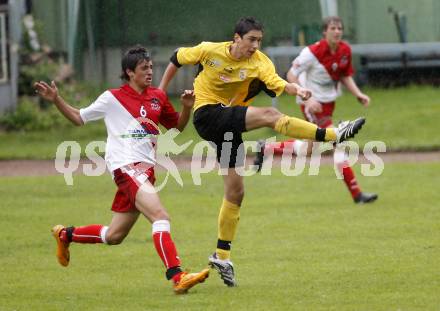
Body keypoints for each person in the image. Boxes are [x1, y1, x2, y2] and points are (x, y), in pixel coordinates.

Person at [159, 16, 367, 287]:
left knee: (236, 191)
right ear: (236, 38)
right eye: (251, 40)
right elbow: (177, 57)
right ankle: (333, 134)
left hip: (227, 123)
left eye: (259, 40)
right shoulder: (210, 50)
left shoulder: (260, 62)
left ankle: (222, 255)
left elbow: (279, 83)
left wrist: (298, 89)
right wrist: (161, 92)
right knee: (270, 114)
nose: (255, 45)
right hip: (206, 114)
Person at [34, 45, 209, 294]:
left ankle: (65, 235)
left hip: (145, 171)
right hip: (126, 168)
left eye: (150, 67)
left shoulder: (157, 97)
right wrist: (56, 100)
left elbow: (176, 128)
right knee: (160, 216)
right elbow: (78, 117)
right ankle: (177, 276)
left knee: (114, 236)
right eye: (144, 68)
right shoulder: (111, 97)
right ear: (129, 72)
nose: (150, 72)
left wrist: (187, 107)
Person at [254, 16, 377, 204]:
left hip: (328, 104)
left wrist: (358, 94)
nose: (337, 31)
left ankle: (267, 148)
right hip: (312, 105)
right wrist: (309, 98)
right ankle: (357, 195)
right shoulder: (312, 52)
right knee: (338, 140)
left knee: (307, 149)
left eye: (340, 28)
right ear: (324, 31)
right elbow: (290, 75)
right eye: (333, 28)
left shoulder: (345, 50)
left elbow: (344, 75)